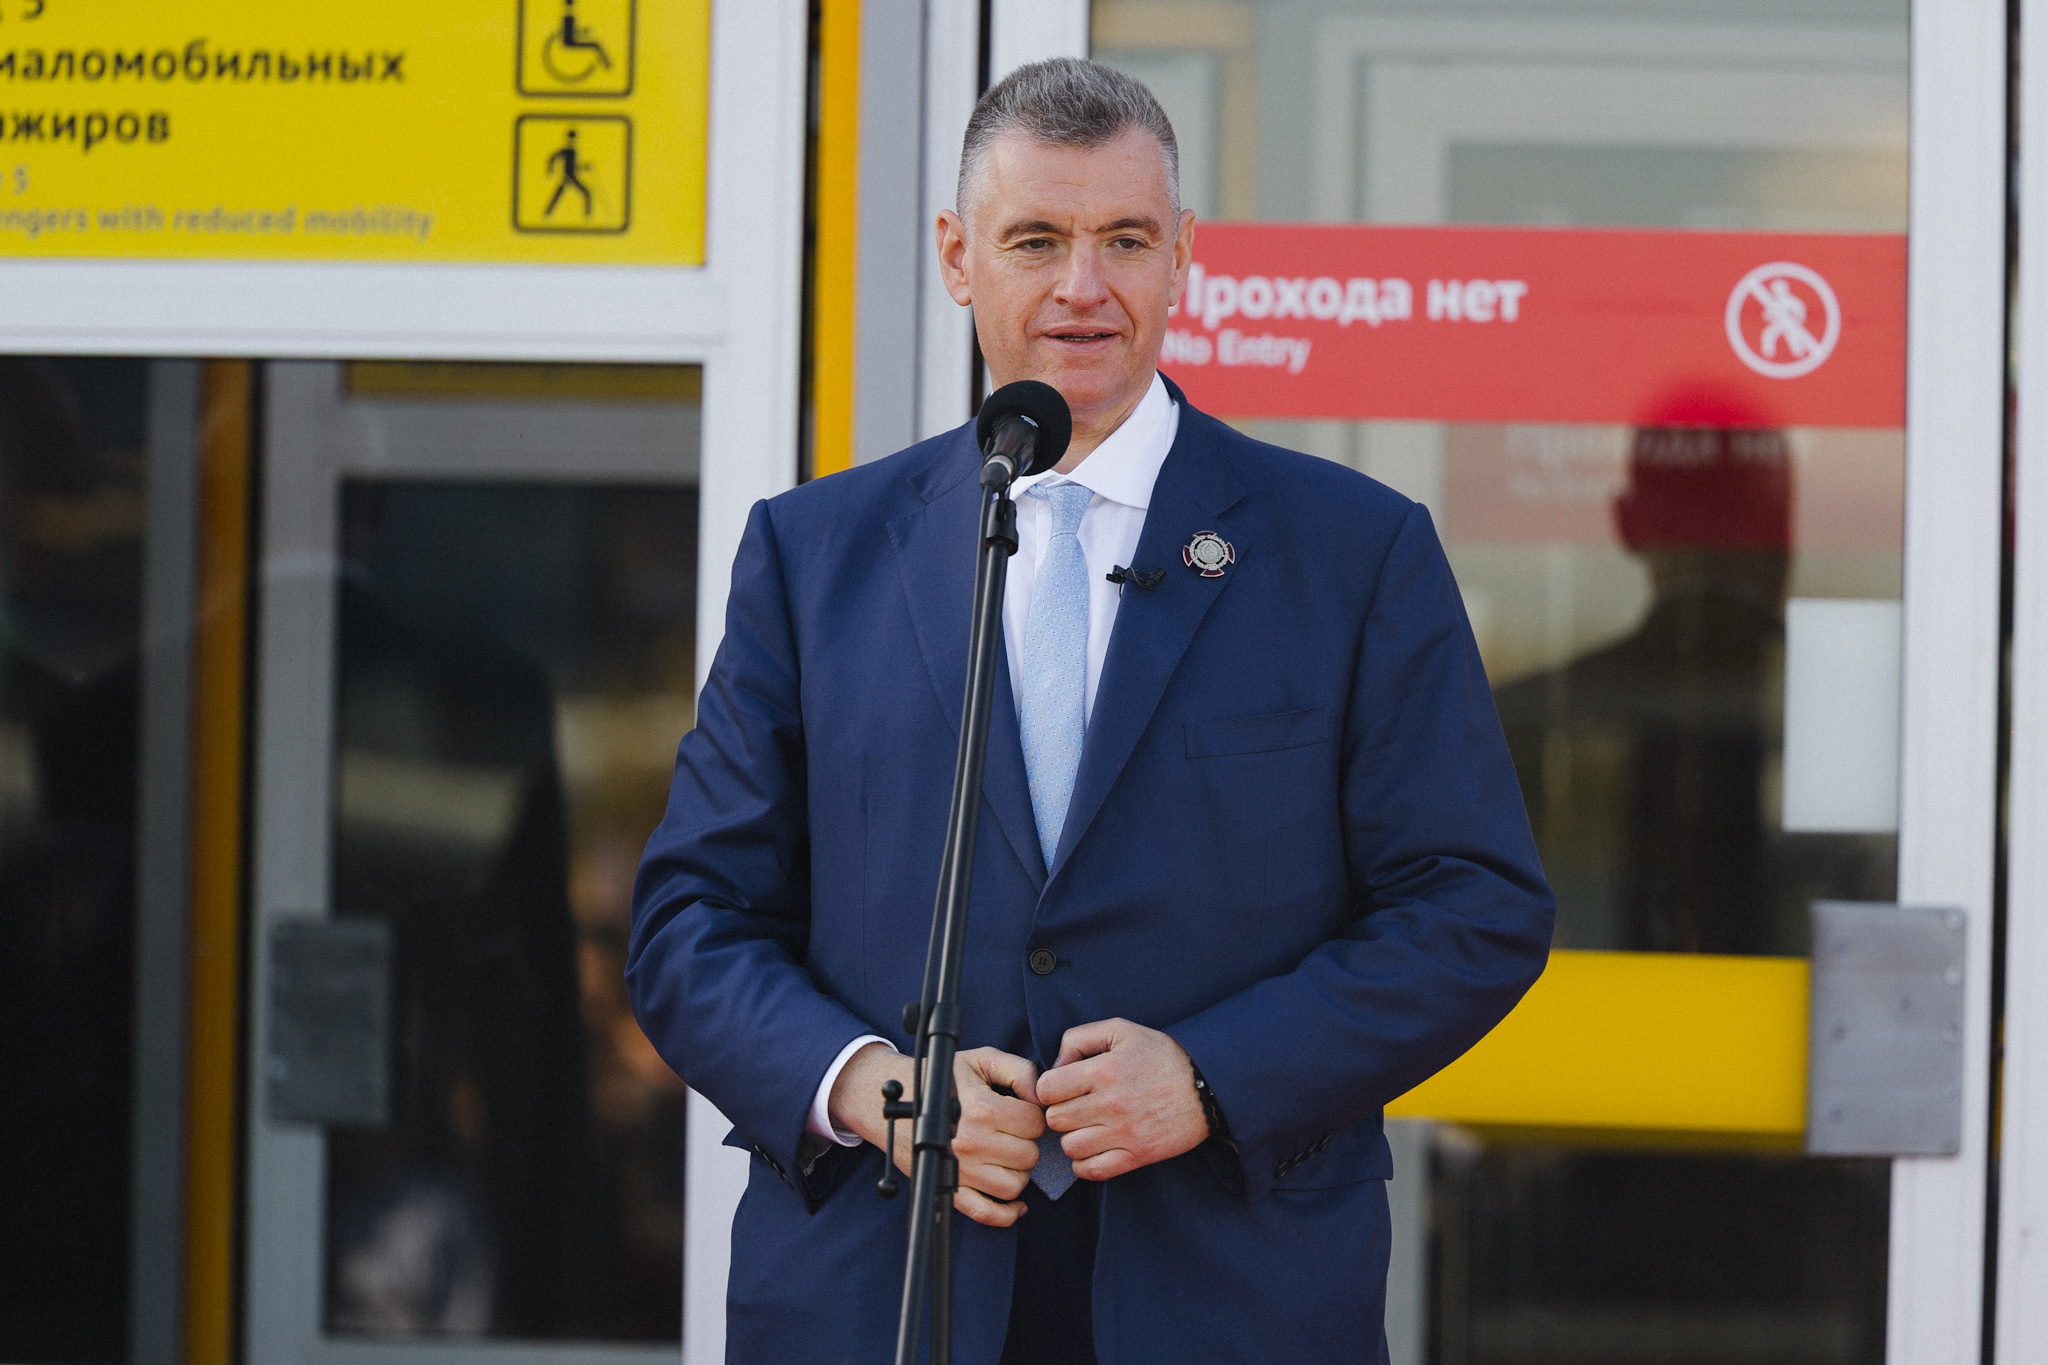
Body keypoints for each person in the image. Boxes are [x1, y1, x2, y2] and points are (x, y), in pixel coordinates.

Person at [627, 58, 1554, 1363]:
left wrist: (1215, 1075)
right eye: (1035, 241)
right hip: (884, 1287)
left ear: (1183, 257)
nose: (1083, 285)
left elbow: (1473, 904)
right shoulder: (812, 553)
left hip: (1228, 1290)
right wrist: (882, 1091)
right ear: (958, 258)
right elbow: (689, 923)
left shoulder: (1353, 552)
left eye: (1125, 239)